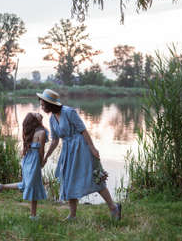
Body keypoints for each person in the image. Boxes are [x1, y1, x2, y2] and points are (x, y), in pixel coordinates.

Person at [37, 89, 122, 221]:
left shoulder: (69, 112)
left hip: (81, 148)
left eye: (43, 104)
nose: (41, 107)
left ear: (50, 104)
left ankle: (113, 207)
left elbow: (83, 130)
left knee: (94, 178)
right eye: (41, 104)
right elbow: (55, 140)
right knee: (68, 180)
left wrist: (93, 148)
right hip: (68, 151)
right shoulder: (52, 118)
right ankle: (72, 215)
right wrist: (46, 157)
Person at [0, 112, 47, 220]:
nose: (39, 113)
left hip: (27, 160)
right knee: (32, 187)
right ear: (35, 120)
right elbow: (41, 151)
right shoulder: (41, 133)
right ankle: (33, 215)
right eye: (36, 115)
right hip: (34, 161)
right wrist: (41, 162)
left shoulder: (29, 132)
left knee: (26, 184)